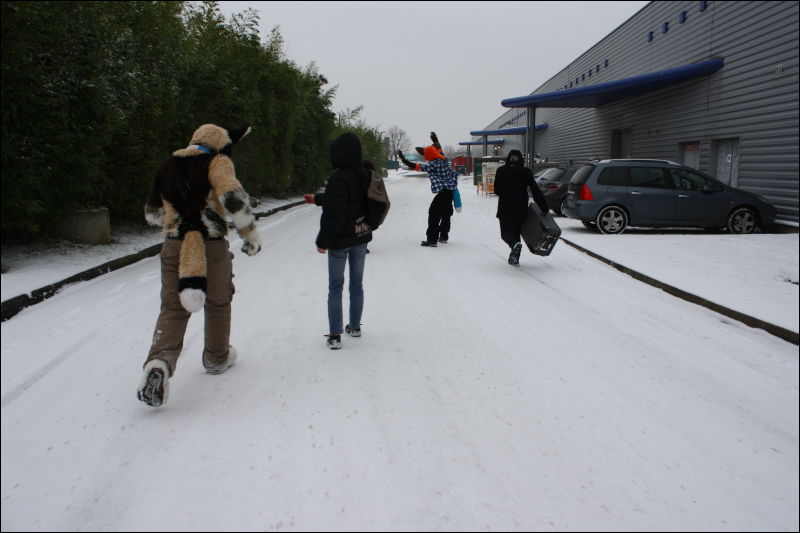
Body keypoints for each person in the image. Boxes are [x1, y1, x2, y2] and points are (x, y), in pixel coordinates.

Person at [137, 123, 262, 407]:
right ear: (219, 143)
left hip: (175, 245)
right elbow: (233, 196)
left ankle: (158, 363)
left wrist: (176, 220)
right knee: (218, 302)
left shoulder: (168, 164)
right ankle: (216, 357)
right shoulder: (217, 161)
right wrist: (249, 234)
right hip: (210, 245)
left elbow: (153, 214)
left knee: (173, 308)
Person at [308, 132, 372, 350]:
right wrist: (318, 199)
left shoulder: (337, 178)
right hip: (360, 236)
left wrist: (323, 240)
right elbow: (348, 200)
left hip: (340, 242)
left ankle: (335, 335)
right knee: (357, 283)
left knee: (335, 286)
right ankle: (354, 327)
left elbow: (335, 212)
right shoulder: (364, 174)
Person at [397, 132, 458, 247]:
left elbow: (417, 167)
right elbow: (439, 149)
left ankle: (432, 240)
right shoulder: (444, 159)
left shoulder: (432, 165)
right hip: (450, 193)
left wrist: (404, 160)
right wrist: (435, 139)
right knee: (446, 214)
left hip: (442, 193)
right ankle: (444, 236)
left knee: (433, 215)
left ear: (429, 156)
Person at [494, 149, 548, 266]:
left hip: (505, 206)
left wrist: (505, 191)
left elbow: (496, 190)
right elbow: (535, 191)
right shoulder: (526, 172)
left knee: (506, 233)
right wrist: (544, 208)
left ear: (508, 159)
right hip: (521, 207)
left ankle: (514, 246)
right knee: (516, 231)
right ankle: (515, 257)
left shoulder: (501, 171)